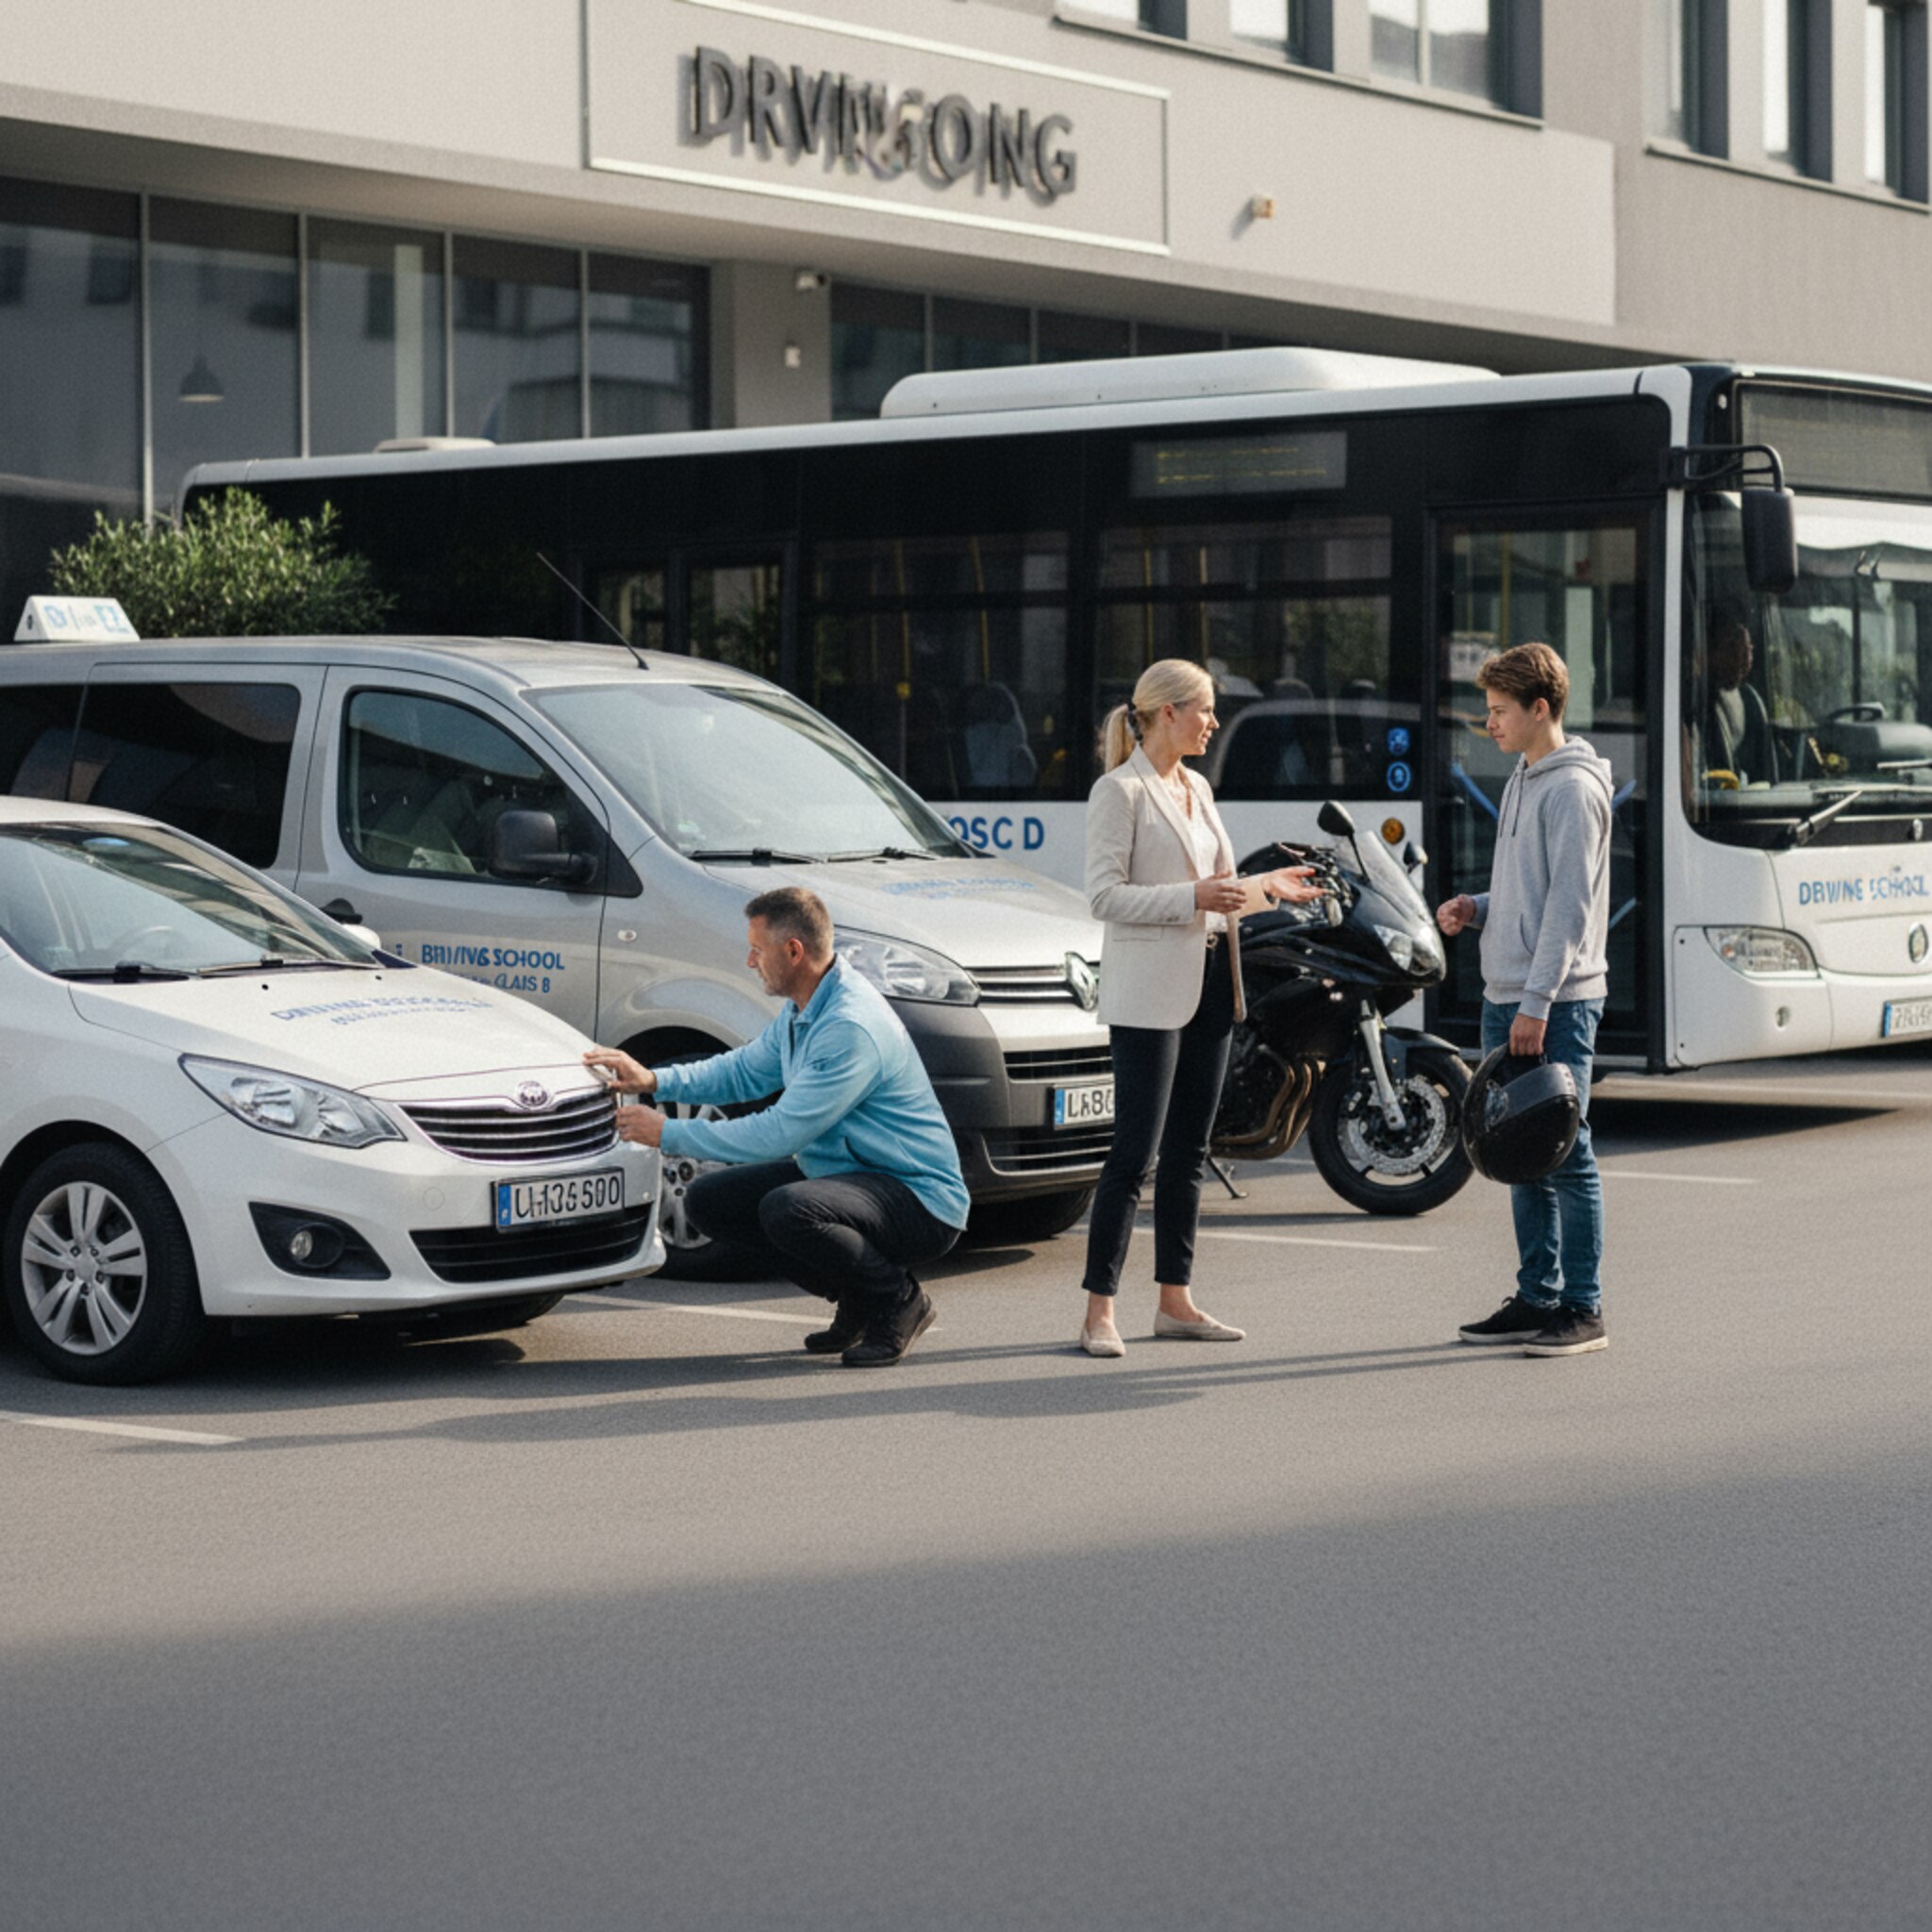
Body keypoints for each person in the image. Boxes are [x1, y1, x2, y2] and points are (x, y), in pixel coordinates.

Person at [583, 887, 968, 1368]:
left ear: (794, 951)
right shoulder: (807, 1004)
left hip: (919, 1198)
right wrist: (656, 1079)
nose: (750, 961)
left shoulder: (849, 1026)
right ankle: (858, 1298)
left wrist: (668, 1133)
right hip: (849, 1177)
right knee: (710, 1201)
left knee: (791, 1210)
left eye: (757, 950)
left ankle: (896, 1300)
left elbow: (780, 1134)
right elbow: (745, 1071)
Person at [1078, 658, 1323, 1358]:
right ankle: (1099, 1313)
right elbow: (1104, 897)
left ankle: (1175, 1303)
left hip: (1213, 980)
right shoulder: (1119, 791)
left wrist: (1267, 887)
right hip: (1148, 994)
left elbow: (1219, 892)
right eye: (1206, 709)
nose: (1215, 722)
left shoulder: (1197, 787)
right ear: (1168, 713)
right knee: (1135, 1154)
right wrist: (1193, 899)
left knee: (1190, 1151)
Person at [1436, 641, 1614, 1357]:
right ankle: (1537, 1296)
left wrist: (1538, 1003)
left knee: (1566, 1152)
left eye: (1500, 711)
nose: (1490, 723)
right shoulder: (1524, 776)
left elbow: (1570, 910)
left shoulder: (1572, 790)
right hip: (1507, 994)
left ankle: (1584, 1309)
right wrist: (1478, 908)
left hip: (1555, 1002)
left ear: (1541, 709)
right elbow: (1531, 894)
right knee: (1518, 1152)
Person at [1694, 613, 1778, 787]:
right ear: (1709, 652)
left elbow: (1766, 774)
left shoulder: (1751, 701)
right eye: (1731, 648)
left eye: (1748, 650)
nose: (1742, 658)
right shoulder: (1695, 701)